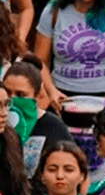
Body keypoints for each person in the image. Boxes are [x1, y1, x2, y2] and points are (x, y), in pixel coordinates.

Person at [2, 56, 74, 187]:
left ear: (37, 94)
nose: (13, 100)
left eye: (21, 95)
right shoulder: (2, 121)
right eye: (8, 92)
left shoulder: (53, 127)